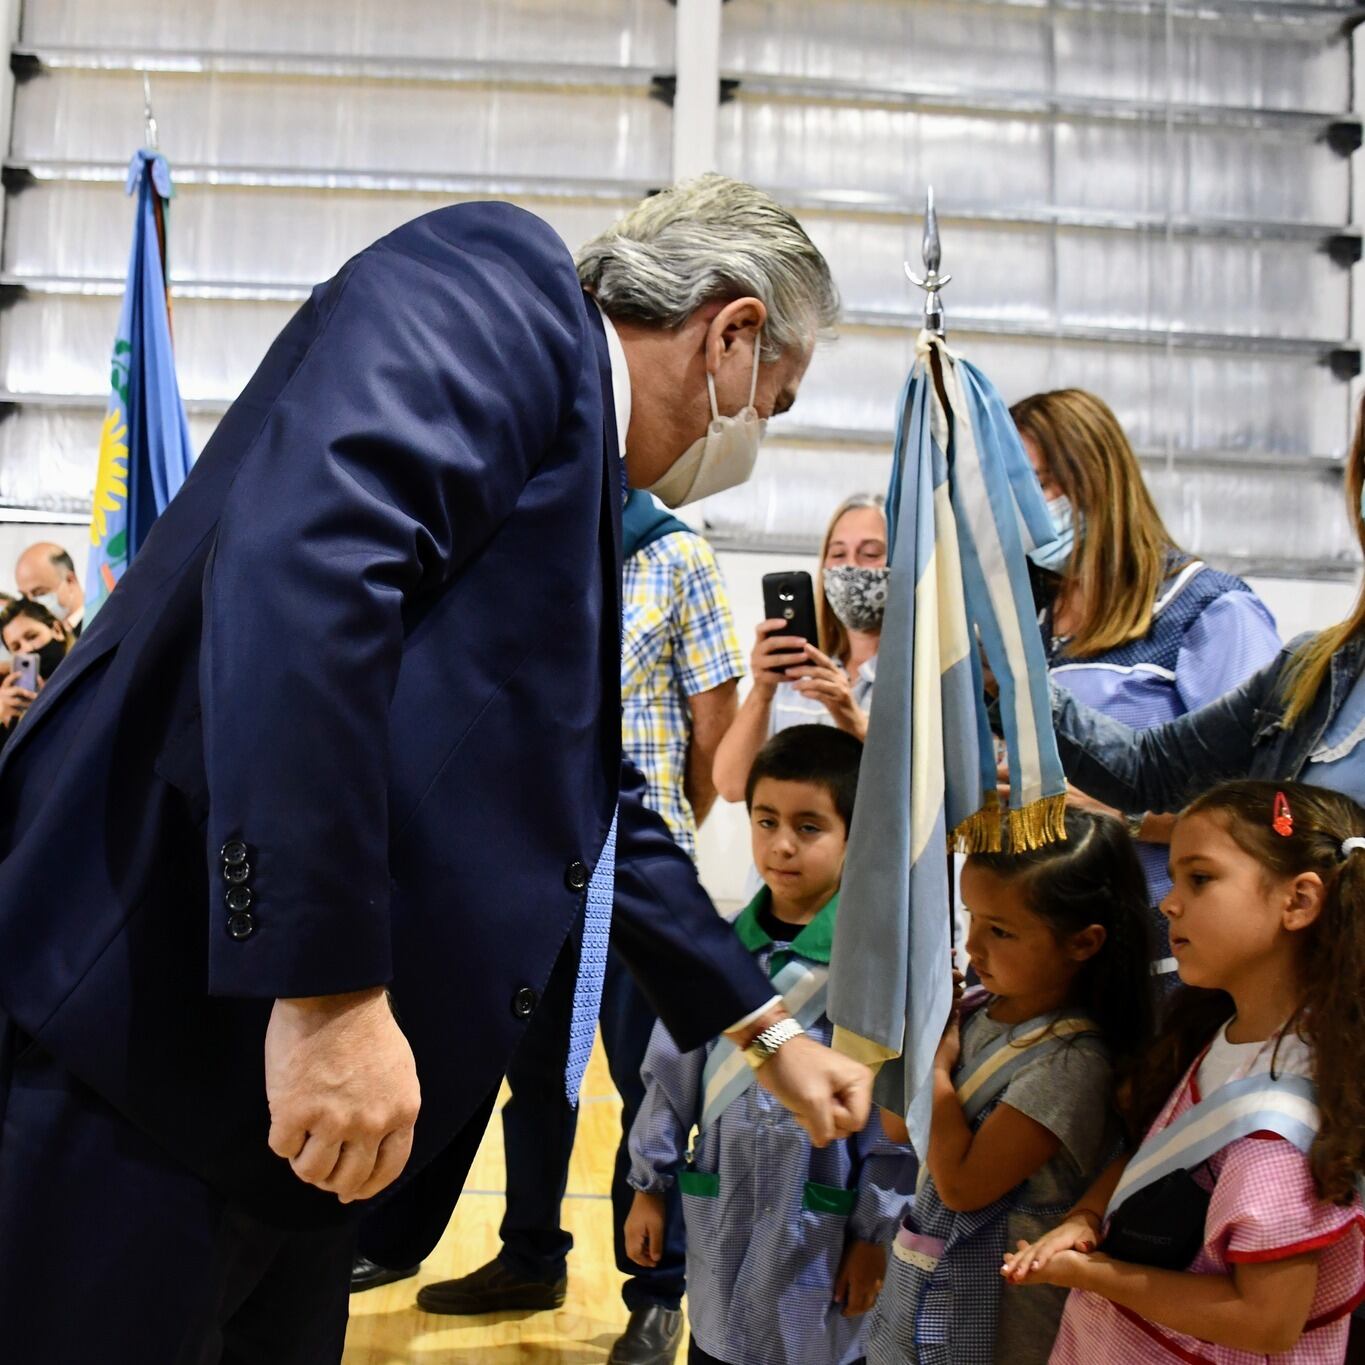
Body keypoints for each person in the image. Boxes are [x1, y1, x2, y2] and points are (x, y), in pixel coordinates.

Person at [0, 176, 873, 1364]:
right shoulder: (499, 291)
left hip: (287, 1121)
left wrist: (765, 1029)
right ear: (727, 333)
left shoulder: (581, 487)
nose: (756, 433)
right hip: (160, 1042)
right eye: (772, 398)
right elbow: (309, 572)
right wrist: (328, 994)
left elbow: (587, 806)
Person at [412, 490, 746, 1365]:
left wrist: (654, 844)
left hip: (633, 882)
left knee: (652, 1092)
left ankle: (657, 1290)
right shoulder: (539, 543)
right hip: (532, 873)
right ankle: (529, 1258)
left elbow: (713, 744)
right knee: (536, 1083)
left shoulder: (681, 558)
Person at [1005, 781, 1365, 1362]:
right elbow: (1160, 1152)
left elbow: (1266, 1320)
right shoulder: (1227, 1030)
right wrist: (1088, 1215)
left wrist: (1095, 1275)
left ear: (1298, 901)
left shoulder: (1280, 1131)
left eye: (1200, 879)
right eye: (1174, 879)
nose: (1170, 903)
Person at [626, 725, 916, 1365]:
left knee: (813, 1345)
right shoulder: (717, 952)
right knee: (718, 1343)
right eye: (765, 821)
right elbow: (668, 1077)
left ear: (857, 834)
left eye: (809, 827)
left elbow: (893, 1130)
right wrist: (649, 1185)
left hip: (823, 1228)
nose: (781, 845)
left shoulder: (872, 973)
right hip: (722, 1219)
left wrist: (873, 1234)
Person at [865, 809, 1154, 1364]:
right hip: (928, 1284)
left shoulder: (1075, 1062)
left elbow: (964, 1186)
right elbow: (898, 1126)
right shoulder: (978, 1010)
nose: (973, 945)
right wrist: (919, 1037)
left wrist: (936, 1069)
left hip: (1003, 1320)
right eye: (971, 916)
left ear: (1084, 943)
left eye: (1000, 930)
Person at [1011, 390, 1280, 970]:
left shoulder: (1209, 610)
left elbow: (1269, 813)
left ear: (1097, 481)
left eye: (1040, 484)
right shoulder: (1031, 619)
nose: (1024, 509)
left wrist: (1120, 817)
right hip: (1056, 957)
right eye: (1008, 492)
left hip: (1168, 962)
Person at [1043, 394, 1365, 815]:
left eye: (1041, 482)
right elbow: (1150, 770)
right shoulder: (1312, 673)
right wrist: (1011, 682)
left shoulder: (1210, 607)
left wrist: (1127, 822)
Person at [712, 493, 886, 803]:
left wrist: (852, 719)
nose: (850, 567)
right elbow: (731, 784)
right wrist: (762, 691)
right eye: (837, 554)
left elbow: (923, 789)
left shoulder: (921, 676)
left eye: (870, 553)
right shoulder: (800, 672)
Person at [0, 598, 72, 745]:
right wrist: (8, 721)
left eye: (32, 636)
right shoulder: (17, 704)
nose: (27, 649)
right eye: (16, 647)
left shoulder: (89, 670)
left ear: (56, 630)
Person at [14, 541, 85, 637]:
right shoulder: (53, 636)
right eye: (25, 596)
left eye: (40, 593)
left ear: (70, 581)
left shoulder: (100, 623)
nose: (31, 603)